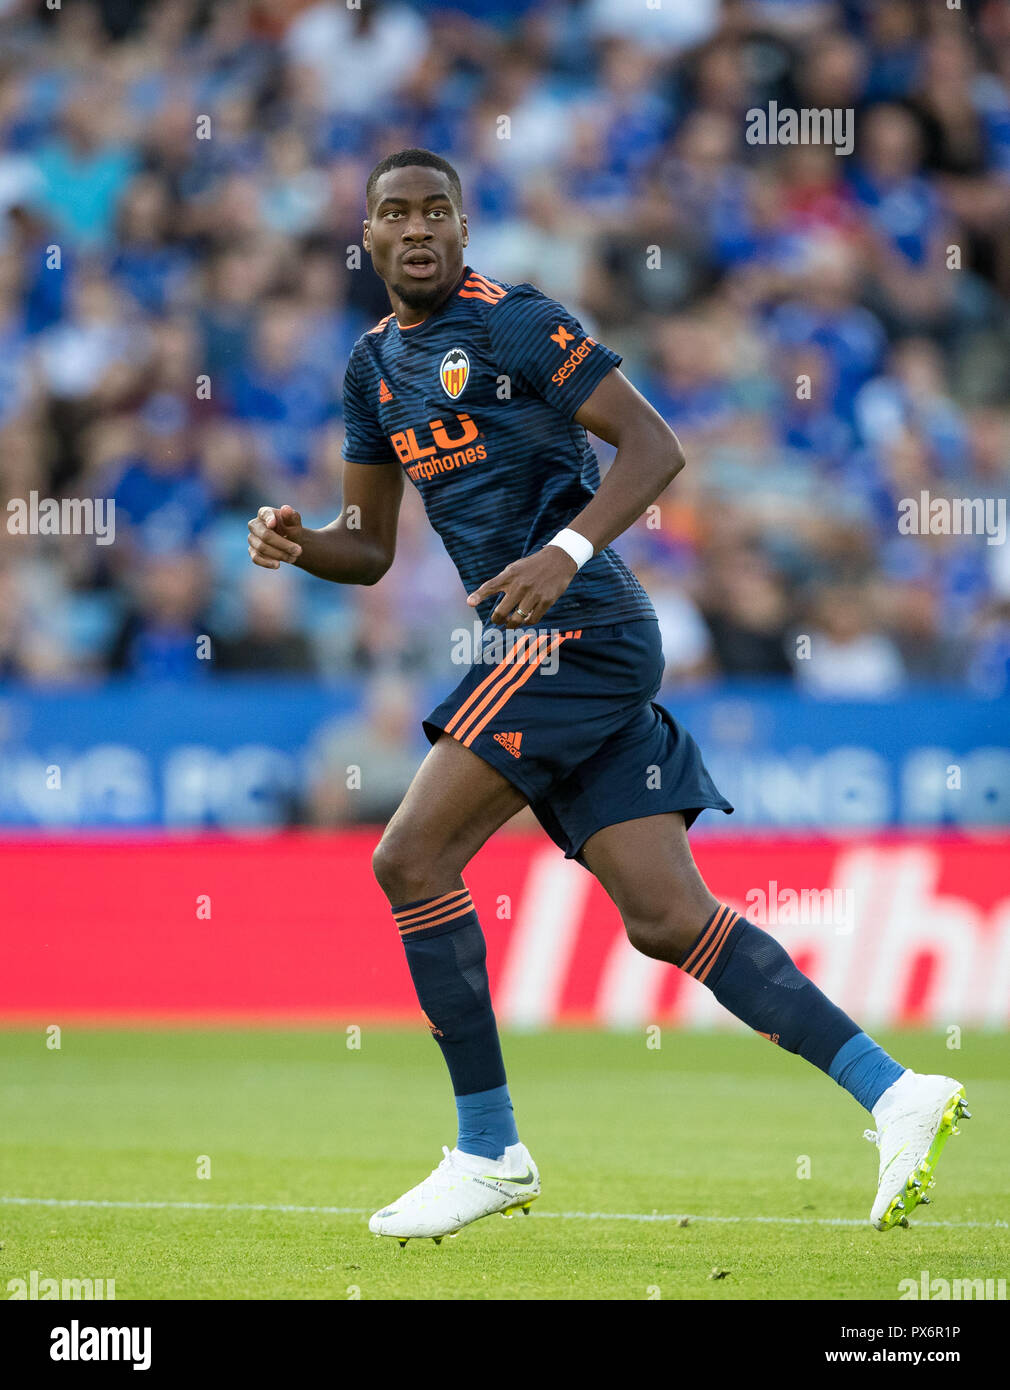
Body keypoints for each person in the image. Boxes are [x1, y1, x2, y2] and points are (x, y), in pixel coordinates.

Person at [247, 149, 969, 1245]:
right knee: (667, 918)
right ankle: (891, 1090)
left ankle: (488, 1149)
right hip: (554, 641)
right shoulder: (369, 369)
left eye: (436, 209)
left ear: (462, 223)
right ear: (368, 235)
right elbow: (370, 549)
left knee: (408, 857)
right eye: (394, 213)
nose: (417, 229)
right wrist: (302, 545)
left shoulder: (515, 321)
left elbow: (654, 444)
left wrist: (566, 549)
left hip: (580, 632)